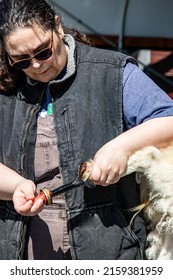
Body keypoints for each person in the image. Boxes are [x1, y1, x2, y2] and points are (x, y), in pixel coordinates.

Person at [0, 0, 173, 260]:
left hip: (108, 253)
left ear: (57, 28)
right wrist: (15, 186)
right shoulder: (6, 87)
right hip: (20, 255)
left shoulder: (112, 73)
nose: (36, 66)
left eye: (42, 52)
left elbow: (168, 120)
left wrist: (122, 147)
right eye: (22, 61)